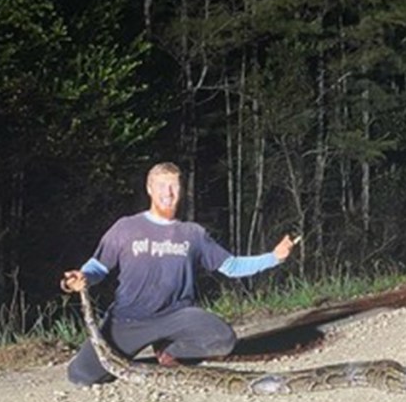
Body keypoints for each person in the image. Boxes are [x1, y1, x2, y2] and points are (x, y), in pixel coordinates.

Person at [61, 162, 299, 386]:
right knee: (82, 375)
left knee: (222, 338)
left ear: (181, 189)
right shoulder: (126, 227)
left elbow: (232, 266)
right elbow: (98, 267)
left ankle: (168, 350)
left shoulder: (192, 234)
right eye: (161, 185)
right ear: (149, 189)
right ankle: (133, 354)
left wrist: (274, 257)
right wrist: (80, 278)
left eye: (173, 185)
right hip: (129, 319)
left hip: (177, 316)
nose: (168, 192)